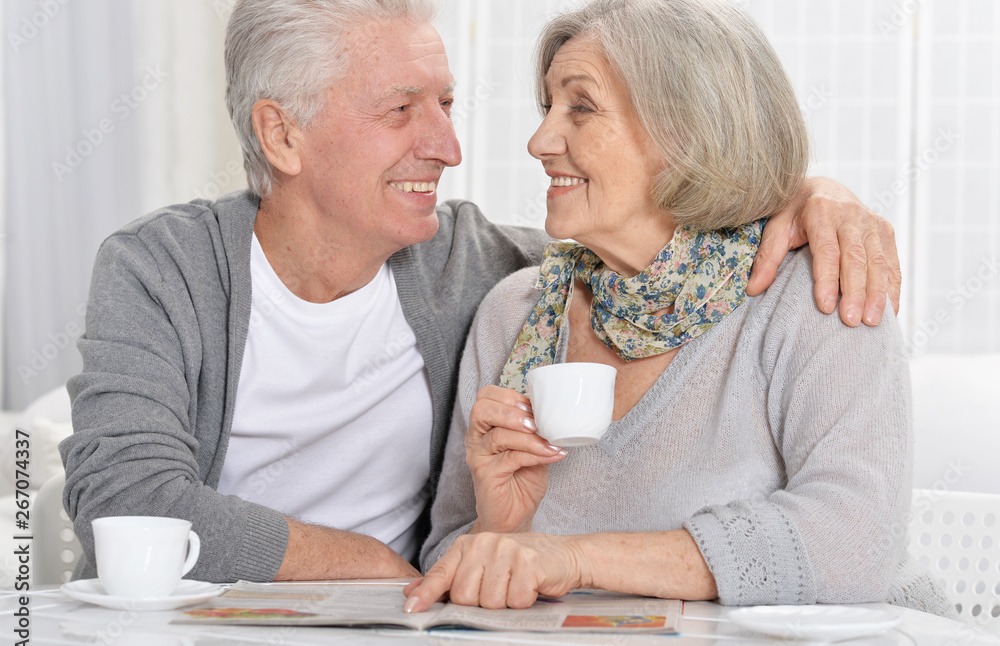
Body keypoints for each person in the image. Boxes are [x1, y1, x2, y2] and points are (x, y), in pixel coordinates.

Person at [62, 0, 903, 585]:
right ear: (282, 133)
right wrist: (391, 566)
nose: (453, 145)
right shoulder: (165, 271)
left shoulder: (491, 273)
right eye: (401, 109)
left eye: (449, 103)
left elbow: (662, 243)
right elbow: (128, 504)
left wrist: (807, 194)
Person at [404, 0, 951, 616]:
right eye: (548, 108)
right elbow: (449, 557)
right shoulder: (516, 313)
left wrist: (573, 558)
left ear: (687, 132)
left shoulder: (817, 292)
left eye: (580, 108)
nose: (540, 141)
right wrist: (503, 529)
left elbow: (854, 544)